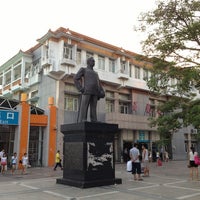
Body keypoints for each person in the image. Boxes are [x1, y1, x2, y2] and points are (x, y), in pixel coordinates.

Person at [74, 57, 105, 122]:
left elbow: (99, 83)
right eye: (93, 61)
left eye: (94, 61)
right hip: (87, 91)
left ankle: (94, 120)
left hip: (95, 92)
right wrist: (81, 88)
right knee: (85, 107)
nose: (94, 62)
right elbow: (76, 78)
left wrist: (102, 91)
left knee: (94, 108)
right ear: (88, 62)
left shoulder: (96, 73)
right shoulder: (84, 70)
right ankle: (83, 119)